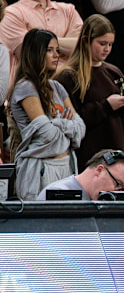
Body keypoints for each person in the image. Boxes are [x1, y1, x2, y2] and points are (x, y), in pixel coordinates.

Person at [54, 14, 124, 172]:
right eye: (102, 43)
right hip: (91, 158)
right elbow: (70, 122)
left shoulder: (114, 72)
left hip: (122, 152)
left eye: (110, 44)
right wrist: (106, 106)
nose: (107, 49)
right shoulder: (69, 76)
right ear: (85, 40)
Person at [8, 29, 86, 201]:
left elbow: (80, 128)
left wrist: (56, 124)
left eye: (57, 50)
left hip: (66, 166)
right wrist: (65, 127)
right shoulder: (26, 87)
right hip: (41, 169)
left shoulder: (57, 87)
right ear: (36, 53)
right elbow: (46, 134)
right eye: (49, 50)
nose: (56, 55)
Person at [0, 0, 83, 78]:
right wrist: (66, 47)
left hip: (71, 82)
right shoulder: (11, 14)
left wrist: (42, 42)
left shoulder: (68, 10)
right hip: (34, 86)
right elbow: (31, 56)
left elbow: (84, 48)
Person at [37, 149, 124, 200]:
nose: (118, 194)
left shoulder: (98, 201)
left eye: (122, 189)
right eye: (117, 184)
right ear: (99, 170)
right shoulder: (58, 194)